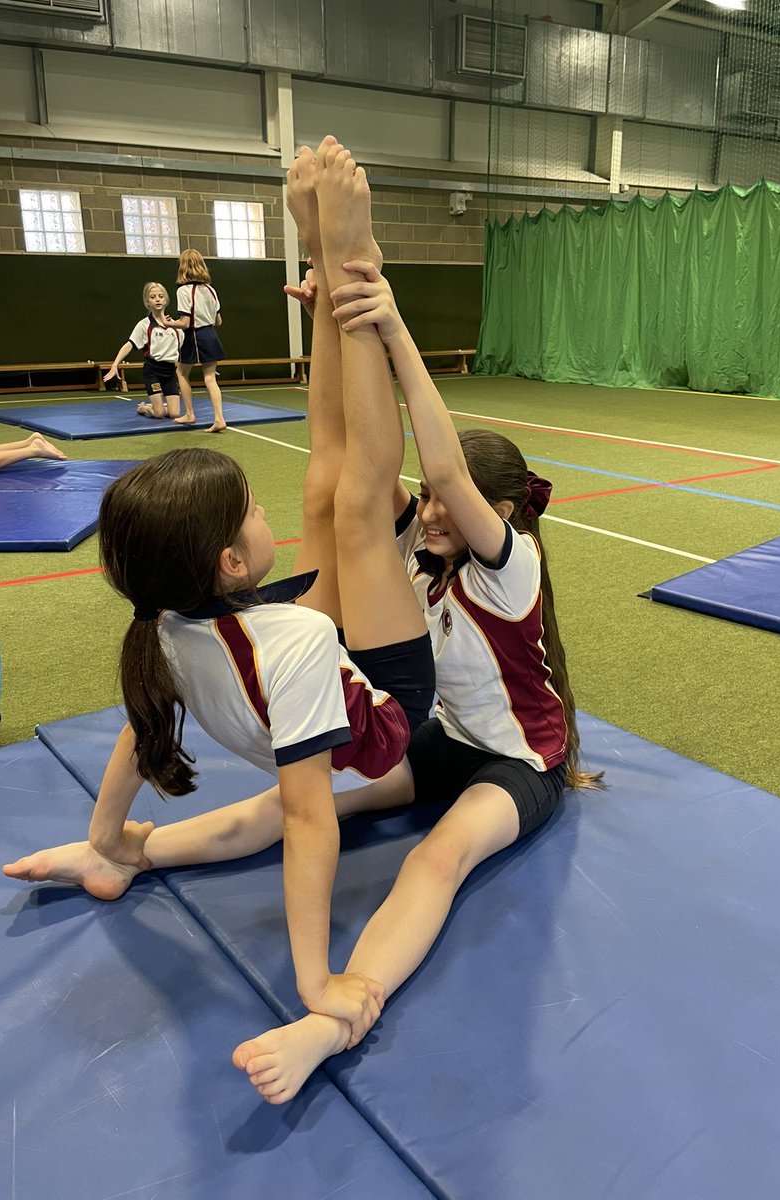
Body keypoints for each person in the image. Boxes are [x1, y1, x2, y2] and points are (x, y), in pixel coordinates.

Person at [2, 137, 436, 1052]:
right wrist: (314, 979)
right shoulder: (298, 646)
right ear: (231, 563)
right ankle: (352, 259)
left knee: (324, 484)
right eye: (248, 511)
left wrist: (107, 839)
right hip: (384, 711)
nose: (260, 509)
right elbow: (308, 820)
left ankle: (325, 268)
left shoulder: (161, 627)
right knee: (359, 503)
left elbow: (139, 731)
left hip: (275, 664)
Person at [227, 141, 603, 1105]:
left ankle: (338, 1018)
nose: (430, 512)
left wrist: (391, 324)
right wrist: (336, 295)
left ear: (500, 512)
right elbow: (344, 461)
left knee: (437, 857)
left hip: (516, 766)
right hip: (447, 743)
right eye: (432, 505)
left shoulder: (510, 570)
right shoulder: (426, 564)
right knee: (303, 801)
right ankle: (133, 849)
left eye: (451, 505)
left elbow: (436, 470)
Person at [164, 249, 227, 433]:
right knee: (210, 377)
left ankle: (190, 413)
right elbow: (218, 321)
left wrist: (168, 323)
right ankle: (219, 418)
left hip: (195, 335)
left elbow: (184, 323)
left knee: (181, 372)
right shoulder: (210, 290)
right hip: (211, 334)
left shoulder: (183, 291)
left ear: (182, 267)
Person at [102, 282, 184, 420]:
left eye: (160, 296)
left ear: (166, 300)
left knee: (174, 414)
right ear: (147, 302)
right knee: (159, 414)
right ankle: (144, 408)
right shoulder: (144, 325)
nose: (157, 299)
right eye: (153, 297)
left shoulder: (175, 326)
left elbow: (184, 347)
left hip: (169, 371)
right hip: (153, 371)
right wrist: (115, 365)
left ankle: (158, 407)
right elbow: (129, 345)